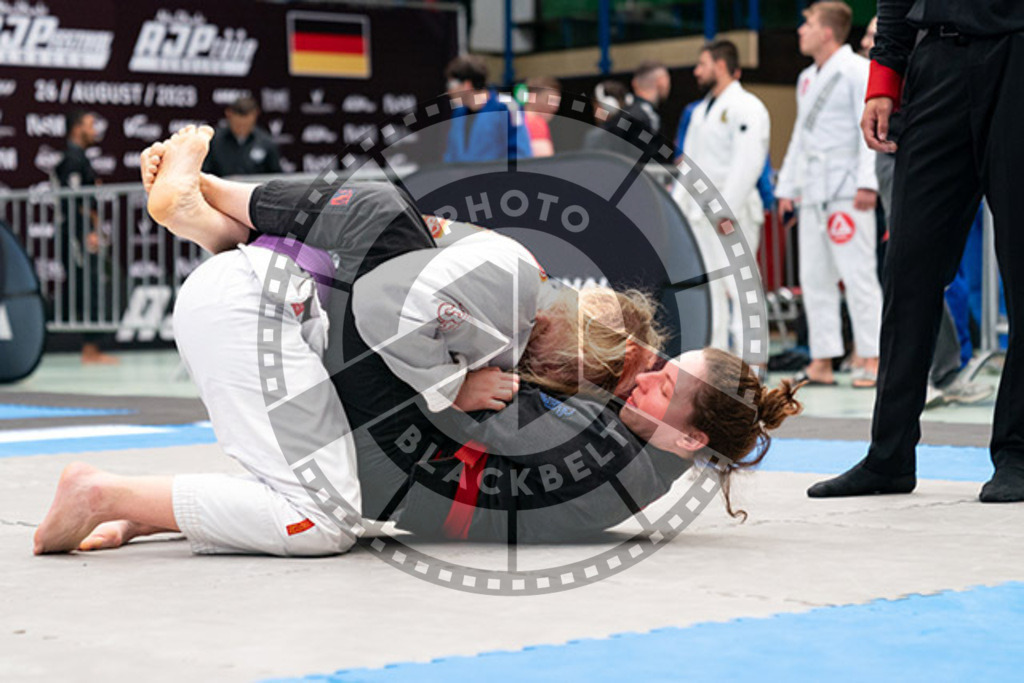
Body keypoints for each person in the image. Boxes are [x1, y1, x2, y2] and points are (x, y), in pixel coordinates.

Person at [33, 127, 802, 556]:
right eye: (658, 366)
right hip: (281, 319)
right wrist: (454, 379)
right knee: (321, 517)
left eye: (665, 383)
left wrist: (456, 381)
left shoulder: (611, 453)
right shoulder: (605, 420)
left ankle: (211, 216)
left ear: (691, 436)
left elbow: (497, 418)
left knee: (401, 237)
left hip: (295, 337)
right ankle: (209, 212)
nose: (647, 379)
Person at [809, 0, 1024, 501]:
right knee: (908, 269)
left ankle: (1017, 452)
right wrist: (884, 79)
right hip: (937, 60)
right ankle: (889, 456)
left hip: (1018, 55)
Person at [860, 15, 992, 410]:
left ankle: (944, 368)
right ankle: (937, 371)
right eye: (868, 35)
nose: (868, 42)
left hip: (923, 141)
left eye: (873, 35)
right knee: (910, 270)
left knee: (931, 271)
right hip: (899, 150)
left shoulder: (934, 41)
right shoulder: (891, 66)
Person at [776, 1, 882, 389]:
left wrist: (868, 183)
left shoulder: (857, 69)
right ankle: (821, 360)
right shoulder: (806, 78)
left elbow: (869, 129)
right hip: (812, 190)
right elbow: (799, 137)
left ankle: (873, 357)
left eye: (807, 24)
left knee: (858, 275)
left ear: (826, 32)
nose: (800, 31)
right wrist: (787, 188)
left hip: (847, 192)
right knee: (815, 278)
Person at [674, 40, 771, 355]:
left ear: (719, 65)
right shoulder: (700, 111)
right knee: (711, 290)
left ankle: (750, 361)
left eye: (702, 64)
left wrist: (725, 210)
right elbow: (689, 165)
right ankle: (715, 359)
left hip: (733, 211)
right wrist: (677, 208)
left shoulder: (748, 106)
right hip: (700, 213)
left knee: (741, 286)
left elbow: (749, 162)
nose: (696, 71)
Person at [55, 110, 117, 365]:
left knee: (90, 284)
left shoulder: (80, 158)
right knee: (86, 286)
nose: (95, 130)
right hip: (75, 234)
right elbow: (73, 202)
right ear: (76, 128)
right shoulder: (71, 160)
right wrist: (87, 231)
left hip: (81, 232)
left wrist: (96, 226)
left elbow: (86, 201)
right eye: (90, 125)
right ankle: (89, 350)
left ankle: (91, 348)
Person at [443, 55, 532, 163]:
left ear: (467, 85)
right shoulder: (458, 113)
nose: (449, 91)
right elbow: (451, 155)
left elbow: (520, 153)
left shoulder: (508, 107)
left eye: (451, 85)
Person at [201, 96, 282, 177]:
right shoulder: (214, 141)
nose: (242, 129)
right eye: (238, 125)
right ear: (229, 114)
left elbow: (275, 176)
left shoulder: (266, 142)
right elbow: (204, 173)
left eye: (246, 125)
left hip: (255, 185)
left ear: (255, 116)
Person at [523, 76, 560, 157]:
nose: (554, 107)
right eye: (550, 100)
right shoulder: (535, 123)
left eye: (557, 102)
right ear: (532, 97)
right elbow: (543, 161)